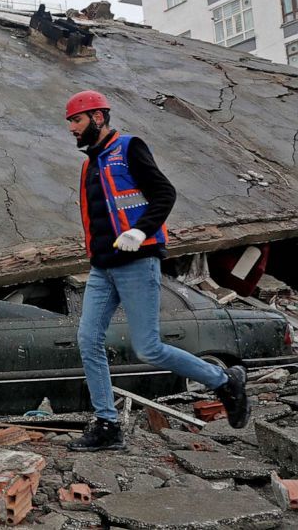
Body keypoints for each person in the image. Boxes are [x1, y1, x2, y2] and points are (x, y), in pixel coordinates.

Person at [64, 90, 250, 452]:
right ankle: (107, 425)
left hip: (136, 261)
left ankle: (224, 380)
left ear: (98, 117)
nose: (71, 128)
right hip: (103, 268)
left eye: (76, 120)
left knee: (148, 347)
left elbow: (164, 193)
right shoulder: (90, 163)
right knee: (88, 340)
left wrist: (140, 231)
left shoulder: (130, 147)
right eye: (70, 122)